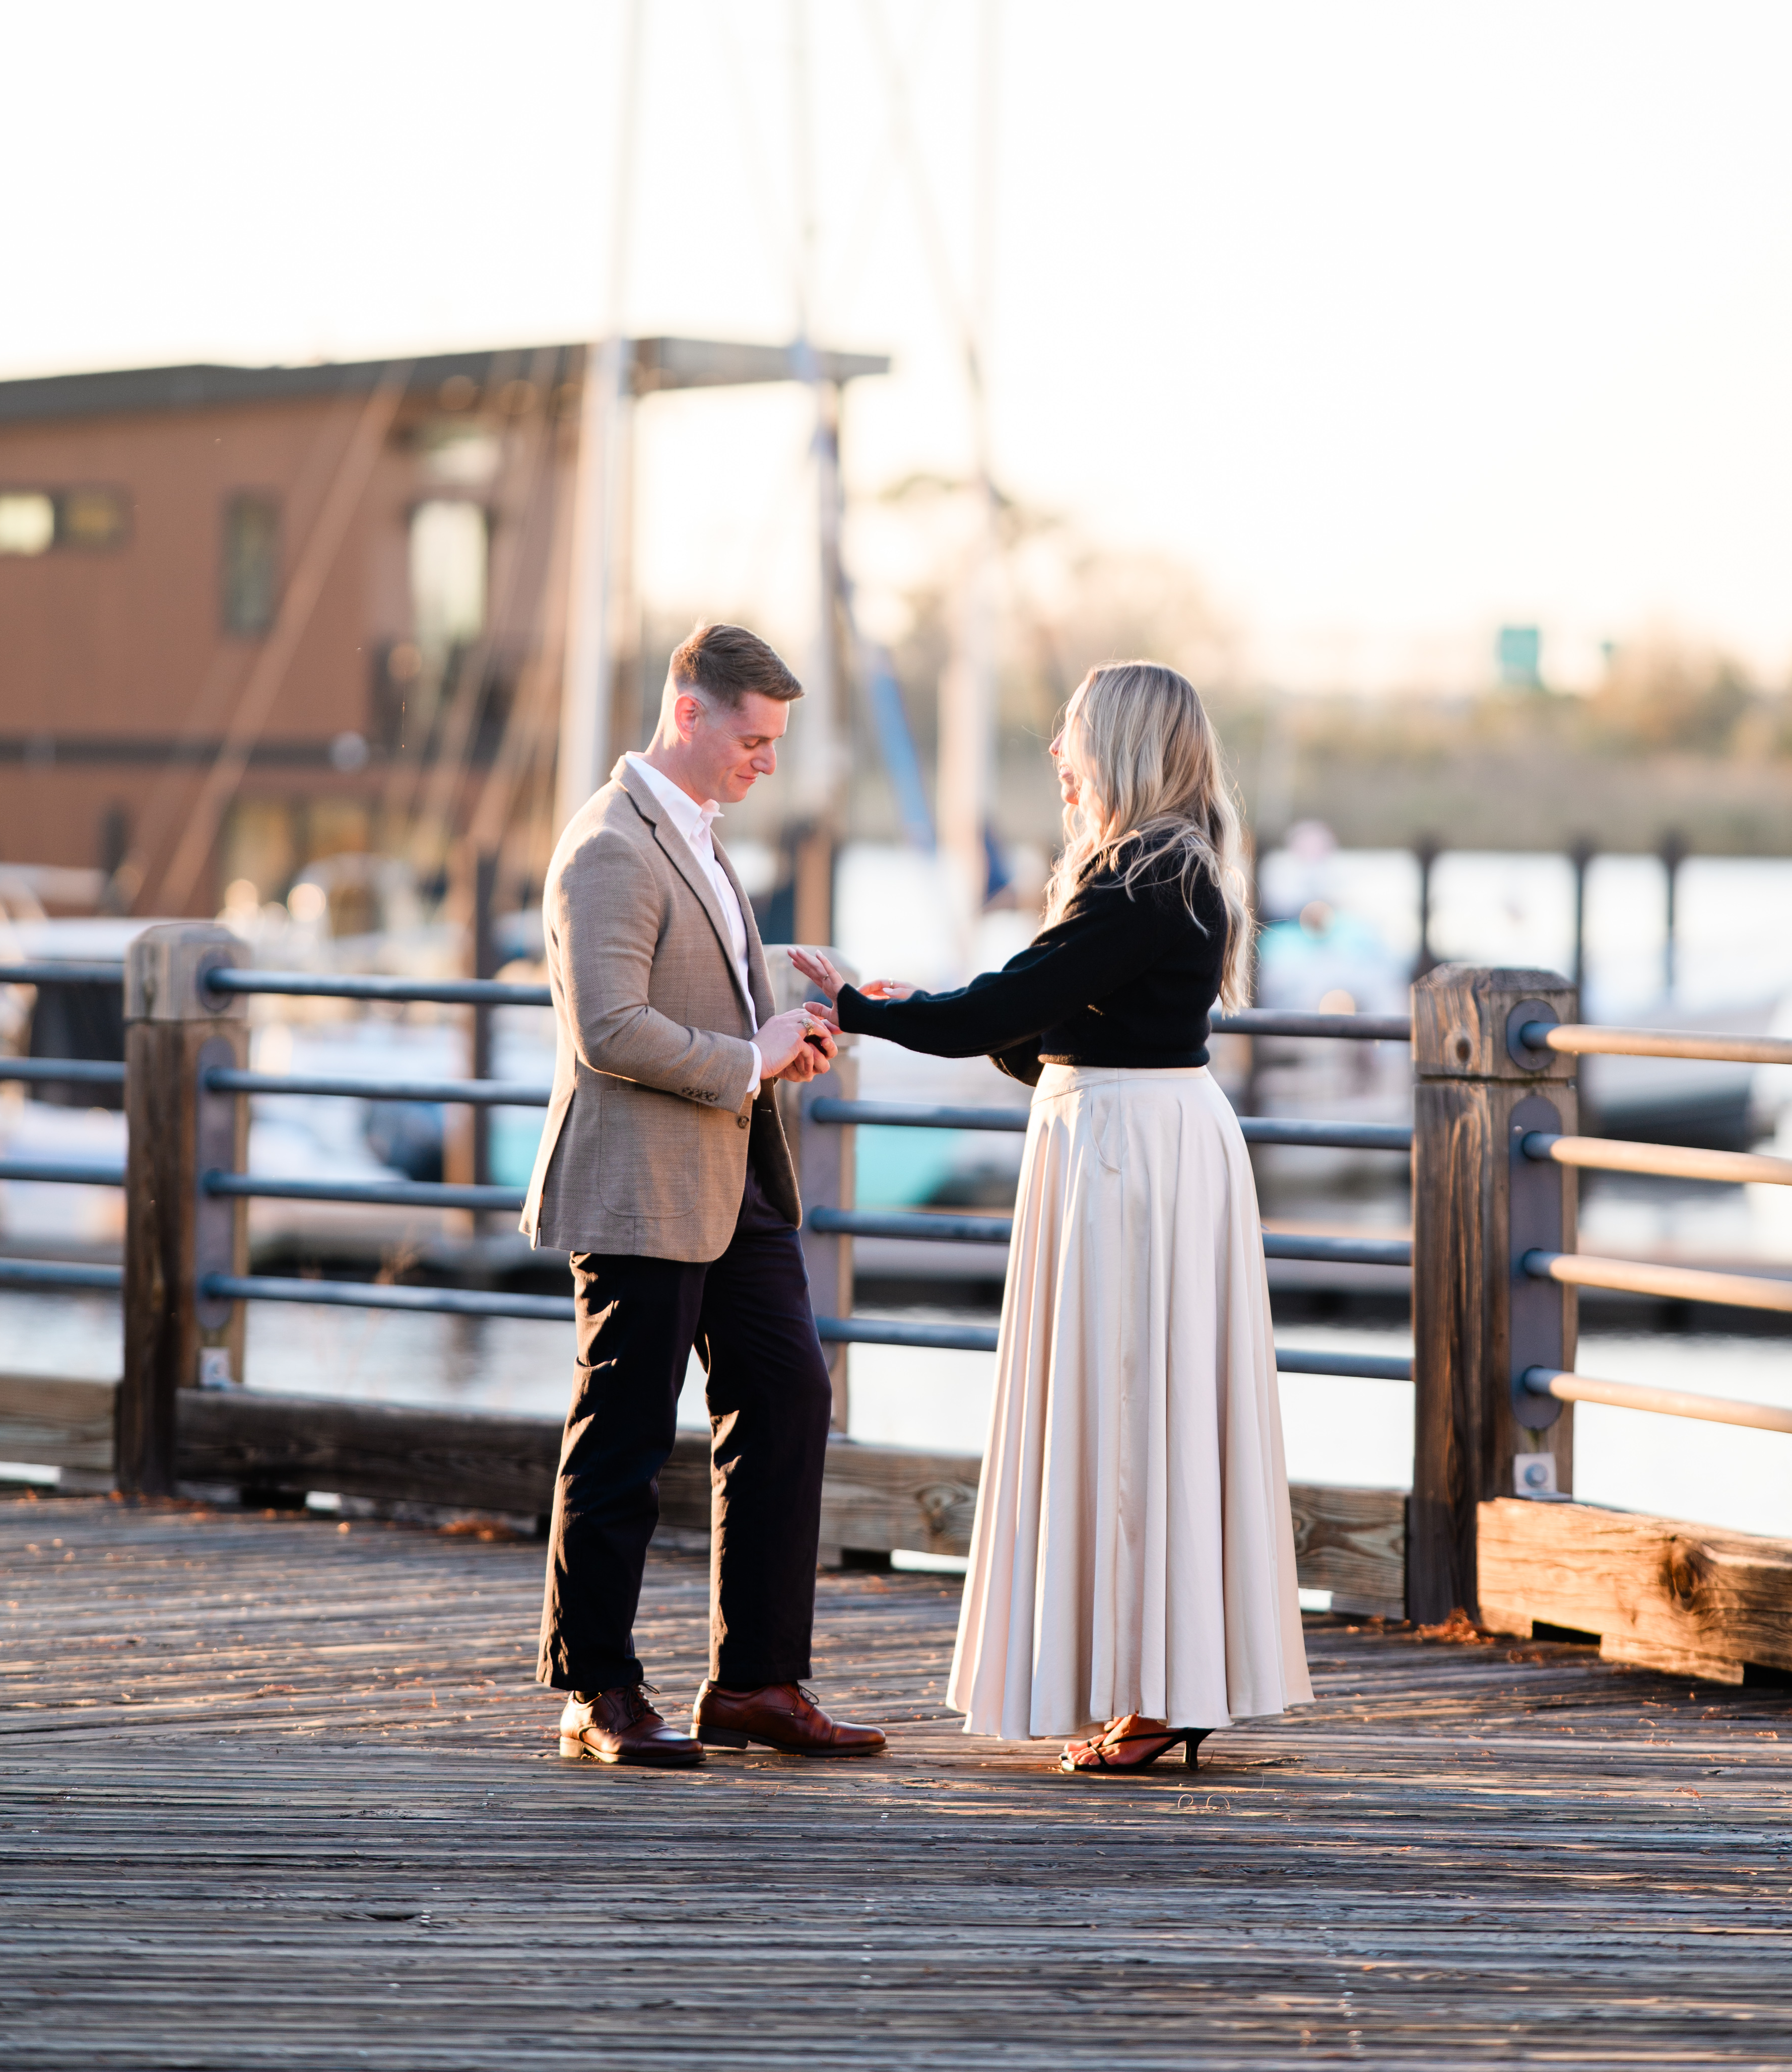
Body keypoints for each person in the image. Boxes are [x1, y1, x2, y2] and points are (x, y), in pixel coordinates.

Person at [794, 659, 1309, 1775]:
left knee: (1129, 1415)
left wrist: (851, 1009)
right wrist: (936, 1014)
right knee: (1143, 1411)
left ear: (1119, 745)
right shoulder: (1157, 875)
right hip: (1127, 1140)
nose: (1057, 759)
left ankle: (1160, 1690)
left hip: (1128, 1154)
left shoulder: (1144, 879)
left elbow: (1011, 1008)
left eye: (1071, 736)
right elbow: (1040, 1030)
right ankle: (1159, 1676)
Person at [522, 621, 886, 1769]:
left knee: (787, 1397)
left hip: (733, 1182)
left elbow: (695, 992)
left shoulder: (696, 832)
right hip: (639, 1185)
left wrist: (789, 1022)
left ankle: (757, 1682)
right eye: (756, 736)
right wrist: (749, 1057)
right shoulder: (610, 845)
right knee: (623, 1437)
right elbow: (608, 1026)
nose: (767, 760)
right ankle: (596, 1691)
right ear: (691, 711)